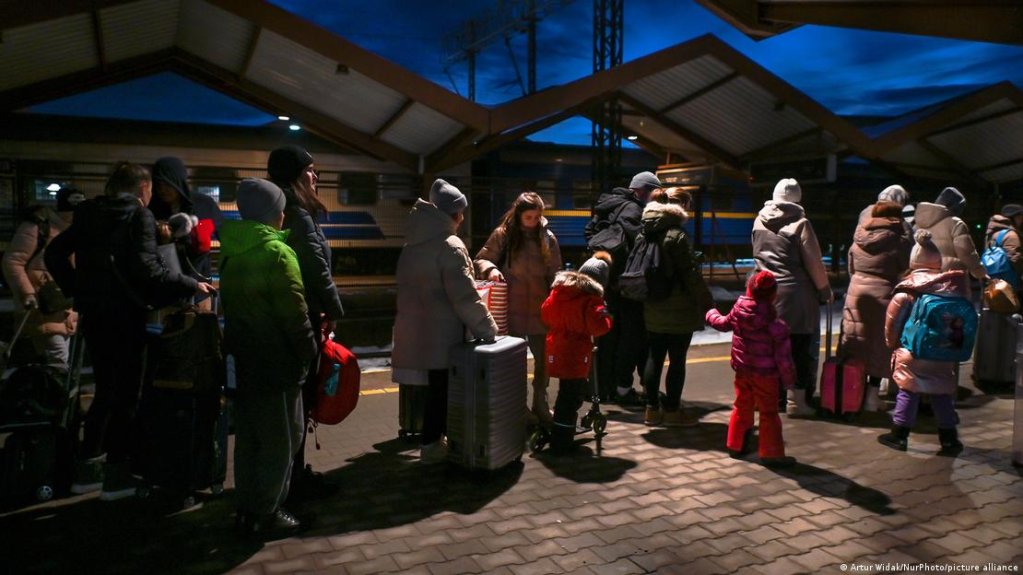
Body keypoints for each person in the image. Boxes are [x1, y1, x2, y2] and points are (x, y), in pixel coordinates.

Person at [45, 162, 214, 500]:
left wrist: (79, 288)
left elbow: (54, 254)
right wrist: (191, 284)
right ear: (142, 190)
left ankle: (87, 469)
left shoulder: (89, 212)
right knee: (128, 395)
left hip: (94, 315)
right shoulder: (138, 216)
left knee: (105, 390)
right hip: (126, 315)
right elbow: (148, 269)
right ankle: (117, 476)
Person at [220, 178, 316, 536]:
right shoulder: (277, 253)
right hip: (276, 361)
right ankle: (267, 512)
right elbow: (295, 313)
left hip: (242, 359)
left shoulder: (231, 250)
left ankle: (246, 507)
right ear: (273, 213)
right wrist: (309, 352)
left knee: (249, 439)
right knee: (281, 439)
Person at [392, 179, 497, 463]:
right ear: (454, 214)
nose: (463, 219)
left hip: (416, 327)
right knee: (443, 389)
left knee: (432, 389)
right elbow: (464, 296)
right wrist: (487, 328)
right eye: (461, 213)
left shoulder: (412, 242)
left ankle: (431, 441)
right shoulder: (450, 245)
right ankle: (432, 446)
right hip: (442, 332)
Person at [267, 145, 345, 497]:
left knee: (295, 399)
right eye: (312, 171)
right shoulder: (298, 214)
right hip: (305, 316)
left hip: (288, 315)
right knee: (301, 397)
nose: (316, 178)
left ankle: (291, 476)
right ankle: (294, 481)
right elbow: (315, 266)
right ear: (297, 176)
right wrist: (335, 309)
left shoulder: (284, 210)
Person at [878, 230, 968, 456]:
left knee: (908, 391)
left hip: (914, 352)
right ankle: (949, 440)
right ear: (938, 263)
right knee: (941, 394)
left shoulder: (907, 291)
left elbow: (892, 322)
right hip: (944, 352)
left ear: (913, 262)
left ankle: (899, 435)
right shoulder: (951, 289)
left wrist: (893, 343)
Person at [474, 192, 562, 423]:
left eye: (537, 217)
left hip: (540, 311)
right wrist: (492, 270)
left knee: (543, 363)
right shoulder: (504, 235)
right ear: (519, 214)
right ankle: (518, 407)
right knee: (515, 363)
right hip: (511, 311)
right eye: (529, 217)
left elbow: (555, 271)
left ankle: (541, 404)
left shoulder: (548, 238)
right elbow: (482, 258)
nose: (533, 222)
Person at [751, 178, 832, 417]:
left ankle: (770, 397)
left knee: (769, 347)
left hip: (765, 293)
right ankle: (796, 401)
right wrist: (825, 290)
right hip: (796, 295)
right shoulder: (801, 223)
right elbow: (814, 262)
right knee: (798, 348)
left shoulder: (759, 221)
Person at [584, 171, 662, 406]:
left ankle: (605, 387)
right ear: (642, 191)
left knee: (608, 336)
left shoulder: (610, 205)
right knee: (632, 337)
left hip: (609, 282)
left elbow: (589, 233)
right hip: (626, 284)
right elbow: (639, 246)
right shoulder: (633, 211)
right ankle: (622, 388)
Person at [638, 187, 714, 427]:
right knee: (677, 359)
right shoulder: (677, 235)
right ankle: (672, 411)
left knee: (654, 356)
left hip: (652, 304)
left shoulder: (644, 232)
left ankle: (651, 410)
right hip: (679, 306)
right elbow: (690, 275)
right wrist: (707, 302)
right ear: (680, 207)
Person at [705, 270, 797, 467]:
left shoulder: (739, 312)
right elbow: (784, 359)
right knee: (769, 412)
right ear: (773, 295)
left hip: (743, 370)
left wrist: (711, 313)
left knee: (741, 405)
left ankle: (735, 445)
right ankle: (771, 454)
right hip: (766, 375)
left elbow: (721, 323)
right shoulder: (776, 326)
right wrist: (789, 381)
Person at [840, 200, 912, 411]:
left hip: (856, 294)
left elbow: (851, 266)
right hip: (883, 295)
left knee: (855, 343)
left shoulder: (859, 236)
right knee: (879, 346)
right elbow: (906, 267)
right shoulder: (898, 239)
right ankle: (872, 397)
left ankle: (852, 393)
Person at [2, 187, 84, 370]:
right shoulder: (39, 227)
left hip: (65, 310)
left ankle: (51, 395)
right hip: (43, 309)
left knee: (59, 362)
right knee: (58, 361)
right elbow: (13, 261)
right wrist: (27, 293)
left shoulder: (77, 230)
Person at [540, 251, 613, 454]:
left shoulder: (559, 291)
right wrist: (606, 315)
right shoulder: (591, 299)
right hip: (576, 352)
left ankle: (558, 430)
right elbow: (599, 327)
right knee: (572, 397)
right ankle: (562, 441)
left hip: (555, 347)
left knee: (565, 392)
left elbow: (545, 313)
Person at [148, 156, 220, 309]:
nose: (162, 190)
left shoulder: (204, 205)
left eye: (167, 184)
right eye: (158, 185)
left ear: (178, 181)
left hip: (200, 292)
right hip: (165, 292)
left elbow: (225, 237)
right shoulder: (151, 210)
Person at [913, 186, 987, 286]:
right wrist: (979, 272)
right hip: (951, 279)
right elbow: (966, 252)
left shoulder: (917, 224)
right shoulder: (955, 223)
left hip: (922, 278)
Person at [983, 203, 1023, 286]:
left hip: (993, 280)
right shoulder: (1011, 235)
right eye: (1020, 217)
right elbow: (1015, 259)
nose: (1021, 220)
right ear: (1014, 218)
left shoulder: (991, 234)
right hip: (1009, 282)